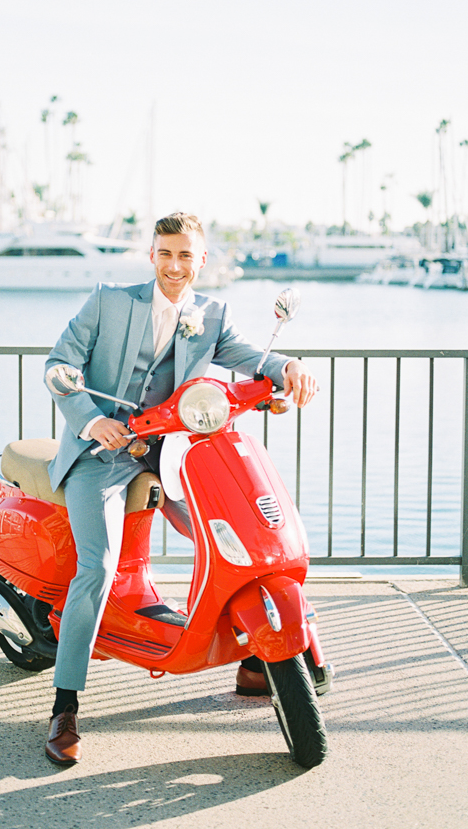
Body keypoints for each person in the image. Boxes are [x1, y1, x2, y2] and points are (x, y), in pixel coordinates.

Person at [40, 211, 318, 765]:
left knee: (232, 537)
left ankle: (258, 654)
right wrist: (92, 420)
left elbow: (250, 357)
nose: (175, 265)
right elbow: (58, 365)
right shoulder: (108, 301)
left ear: (202, 260)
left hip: (168, 455)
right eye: (166, 254)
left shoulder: (211, 313)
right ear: (151, 255)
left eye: (186, 255)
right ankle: (65, 704)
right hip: (102, 453)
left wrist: (291, 367)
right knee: (98, 565)